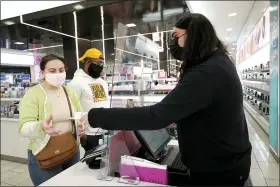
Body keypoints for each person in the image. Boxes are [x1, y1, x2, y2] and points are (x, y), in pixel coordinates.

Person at [81, 13, 252, 186]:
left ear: (194, 35)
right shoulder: (217, 62)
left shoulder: (206, 73)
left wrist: (96, 116)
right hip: (226, 162)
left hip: (219, 172)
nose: (173, 43)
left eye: (176, 36)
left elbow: (155, 117)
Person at [18, 54, 85, 186]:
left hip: (71, 149)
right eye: (52, 71)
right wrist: (41, 127)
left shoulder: (69, 91)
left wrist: (81, 124)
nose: (58, 74)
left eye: (61, 70)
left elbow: (79, 113)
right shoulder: (33, 94)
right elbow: (23, 127)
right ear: (43, 73)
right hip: (45, 152)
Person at [68, 48, 109, 151]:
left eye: (102, 63)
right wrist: (82, 136)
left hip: (106, 130)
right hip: (90, 133)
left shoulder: (102, 82)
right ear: (88, 61)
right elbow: (72, 109)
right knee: (93, 164)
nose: (100, 66)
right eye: (98, 63)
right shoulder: (76, 83)